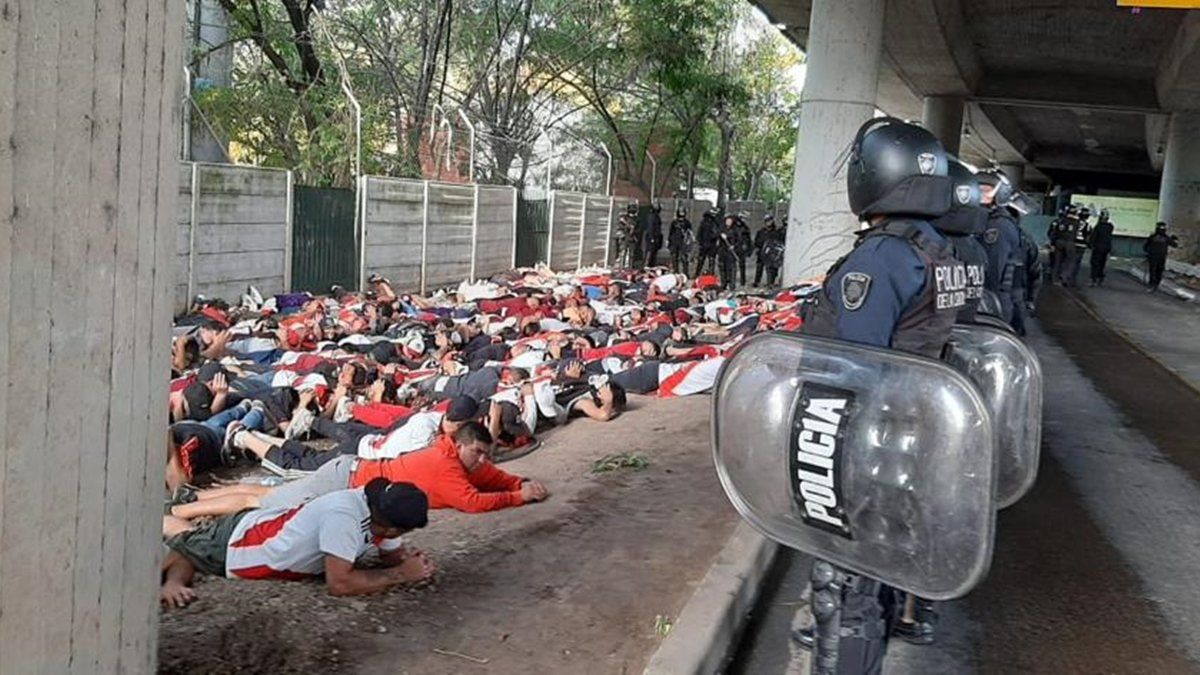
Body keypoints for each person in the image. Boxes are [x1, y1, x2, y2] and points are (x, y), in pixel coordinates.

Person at [795, 117, 965, 671]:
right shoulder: (939, 248)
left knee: (845, 582)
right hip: (912, 426)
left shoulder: (882, 257)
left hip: (870, 430)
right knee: (885, 559)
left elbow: (856, 362)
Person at [160, 479, 434, 607]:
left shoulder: (376, 506)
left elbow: (391, 552)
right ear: (391, 527)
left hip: (262, 524)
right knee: (185, 540)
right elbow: (340, 584)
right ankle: (156, 515)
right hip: (237, 544)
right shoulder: (345, 517)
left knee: (194, 538)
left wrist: (407, 560)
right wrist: (400, 574)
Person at [974, 168, 1023, 324]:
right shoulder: (982, 220)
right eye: (977, 189)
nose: (980, 195)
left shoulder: (998, 226)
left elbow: (993, 271)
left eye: (986, 190)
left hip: (992, 303)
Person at [1144, 221, 1179, 292]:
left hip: (1153, 256)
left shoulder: (1152, 237)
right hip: (1161, 257)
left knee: (1153, 270)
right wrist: (1175, 239)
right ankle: (1156, 284)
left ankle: (1152, 284)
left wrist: (1148, 252)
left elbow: (1145, 247)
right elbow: (1175, 245)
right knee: (1159, 271)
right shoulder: (1166, 238)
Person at [1088, 209, 1115, 286]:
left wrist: (1090, 245)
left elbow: (1093, 237)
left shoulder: (1098, 226)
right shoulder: (1110, 227)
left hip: (1097, 247)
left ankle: (1093, 278)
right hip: (1106, 247)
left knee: (1095, 263)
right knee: (1102, 263)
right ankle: (1100, 276)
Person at [694, 208, 720, 278]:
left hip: (711, 244)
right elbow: (700, 232)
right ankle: (697, 274)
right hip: (705, 243)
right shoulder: (704, 222)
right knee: (701, 260)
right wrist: (699, 241)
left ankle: (710, 274)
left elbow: (717, 232)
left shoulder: (715, 222)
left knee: (711, 260)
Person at [716, 215, 740, 291]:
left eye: (730, 221)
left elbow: (739, 241)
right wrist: (720, 235)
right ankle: (723, 284)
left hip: (731, 253)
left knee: (732, 269)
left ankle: (732, 285)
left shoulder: (735, 230)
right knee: (723, 269)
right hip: (723, 252)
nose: (728, 222)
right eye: (727, 221)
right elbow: (716, 235)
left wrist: (734, 246)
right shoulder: (722, 229)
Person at [668, 206, 694, 273]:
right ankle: (675, 271)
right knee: (674, 257)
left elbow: (690, 232)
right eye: (680, 212)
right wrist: (669, 241)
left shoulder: (687, 223)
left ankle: (685, 272)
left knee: (684, 258)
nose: (681, 214)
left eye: (682, 212)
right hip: (674, 241)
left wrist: (689, 241)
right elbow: (671, 232)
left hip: (683, 242)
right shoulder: (674, 222)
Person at [615, 203, 638, 268]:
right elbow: (620, 227)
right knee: (623, 254)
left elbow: (638, 229)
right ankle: (621, 267)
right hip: (625, 238)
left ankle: (629, 268)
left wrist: (634, 231)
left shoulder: (636, 219)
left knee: (631, 255)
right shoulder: (624, 218)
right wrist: (626, 228)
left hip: (632, 238)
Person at [733, 213, 753, 286]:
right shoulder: (734, 227)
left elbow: (748, 240)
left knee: (742, 265)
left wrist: (749, 250)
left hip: (741, 249)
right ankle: (732, 280)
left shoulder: (745, 228)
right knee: (732, 265)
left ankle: (742, 281)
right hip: (734, 248)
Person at [644, 202, 664, 268]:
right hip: (651, 238)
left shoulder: (656, 216)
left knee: (654, 254)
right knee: (650, 252)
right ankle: (646, 265)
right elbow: (650, 227)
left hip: (656, 238)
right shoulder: (652, 216)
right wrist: (652, 237)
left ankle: (651, 266)